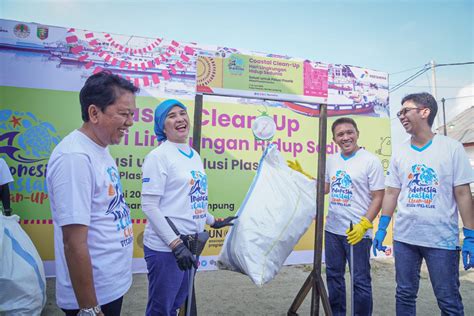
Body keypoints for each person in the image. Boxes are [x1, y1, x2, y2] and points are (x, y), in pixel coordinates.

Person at [373, 92, 474, 315]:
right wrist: (382, 228)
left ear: (424, 112)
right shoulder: (400, 151)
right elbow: (391, 192)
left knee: (448, 298)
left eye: (405, 110)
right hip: (405, 238)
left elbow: (463, 193)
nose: (400, 116)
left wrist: (470, 235)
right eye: (399, 112)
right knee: (405, 294)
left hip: (441, 240)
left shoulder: (451, 147)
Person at [46, 71, 138, 316]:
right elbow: (74, 243)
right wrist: (89, 308)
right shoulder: (74, 157)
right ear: (94, 113)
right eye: (123, 114)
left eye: (132, 114)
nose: (130, 122)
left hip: (109, 286)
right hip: (91, 297)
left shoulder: (100, 148)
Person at [140, 99, 236, 316]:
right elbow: (149, 205)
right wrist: (175, 245)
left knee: (176, 304)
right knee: (161, 309)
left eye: (182, 113)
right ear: (162, 126)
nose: (180, 119)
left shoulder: (194, 155)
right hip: (166, 249)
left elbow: (192, 200)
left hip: (190, 245)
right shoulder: (158, 156)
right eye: (171, 116)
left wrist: (214, 221)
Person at [289, 117, 385, 316]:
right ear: (334, 139)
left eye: (350, 132)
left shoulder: (370, 161)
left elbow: (378, 196)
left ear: (357, 133)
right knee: (333, 277)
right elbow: (324, 188)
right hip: (333, 230)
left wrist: (364, 225)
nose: (346, 137)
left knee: (360, 281)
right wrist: (304, 176)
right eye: (340, 134)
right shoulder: (332, 160)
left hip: (357, 232)